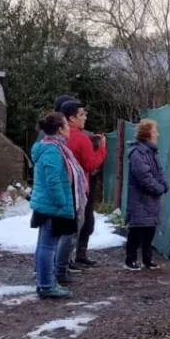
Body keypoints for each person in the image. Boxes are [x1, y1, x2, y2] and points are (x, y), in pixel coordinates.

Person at [29, 112, 87, 299]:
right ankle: (46, 285)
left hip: (47, 205)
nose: (69, 129)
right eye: (67, 126)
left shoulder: (52, 148)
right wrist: (61, 201)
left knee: (44, 245)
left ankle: (44, 281)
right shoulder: (52, 150)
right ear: (60, 129)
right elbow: (53, 179)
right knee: (48, 247)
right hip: (52, 207)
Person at [59, 100, 107, 269]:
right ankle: (65, 264)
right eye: (82, 114)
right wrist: (102, 149)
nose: (85, 118)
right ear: (71, 118)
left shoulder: (54, 138)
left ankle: (62, 263)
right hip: (79, 187)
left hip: (60, 187)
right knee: (76, 226)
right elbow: (90, 164)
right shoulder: (80, 137)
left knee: (60, 228)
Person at [125, 119, 169, 271]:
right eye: (154, 131)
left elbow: (159, 171)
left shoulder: (151, 151)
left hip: (149, 199)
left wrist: (163, 185)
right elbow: (144, 177)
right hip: (141, 199)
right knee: (136, 231)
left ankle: (147, 260)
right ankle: (130, 260)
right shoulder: (139, 153)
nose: (157, 134)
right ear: (148, 133)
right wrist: (159, 188)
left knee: (149, 230)